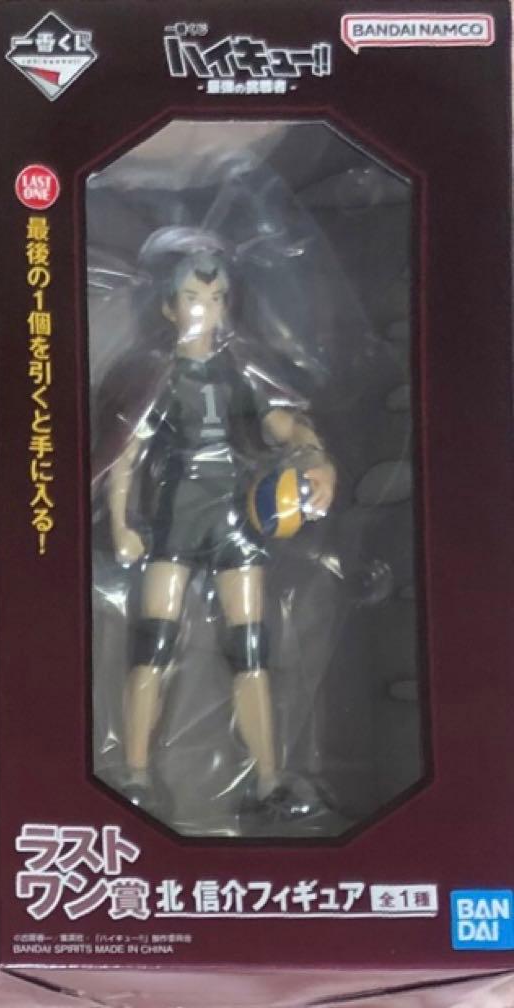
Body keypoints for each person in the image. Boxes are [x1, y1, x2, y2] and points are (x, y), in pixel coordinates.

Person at [106, 233, 336, 822]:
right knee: (153, 644)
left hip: (236, 514)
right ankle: (134, 773)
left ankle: (269, 778)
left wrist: (314, 454)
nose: (205, 309)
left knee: (250, 648)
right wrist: (122, 525)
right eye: (192, 297)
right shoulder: (157, 376)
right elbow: (125, 456)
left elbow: (282, 423)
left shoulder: (239, 371)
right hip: (175, 514)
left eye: (215, 298)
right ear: (169, 307)